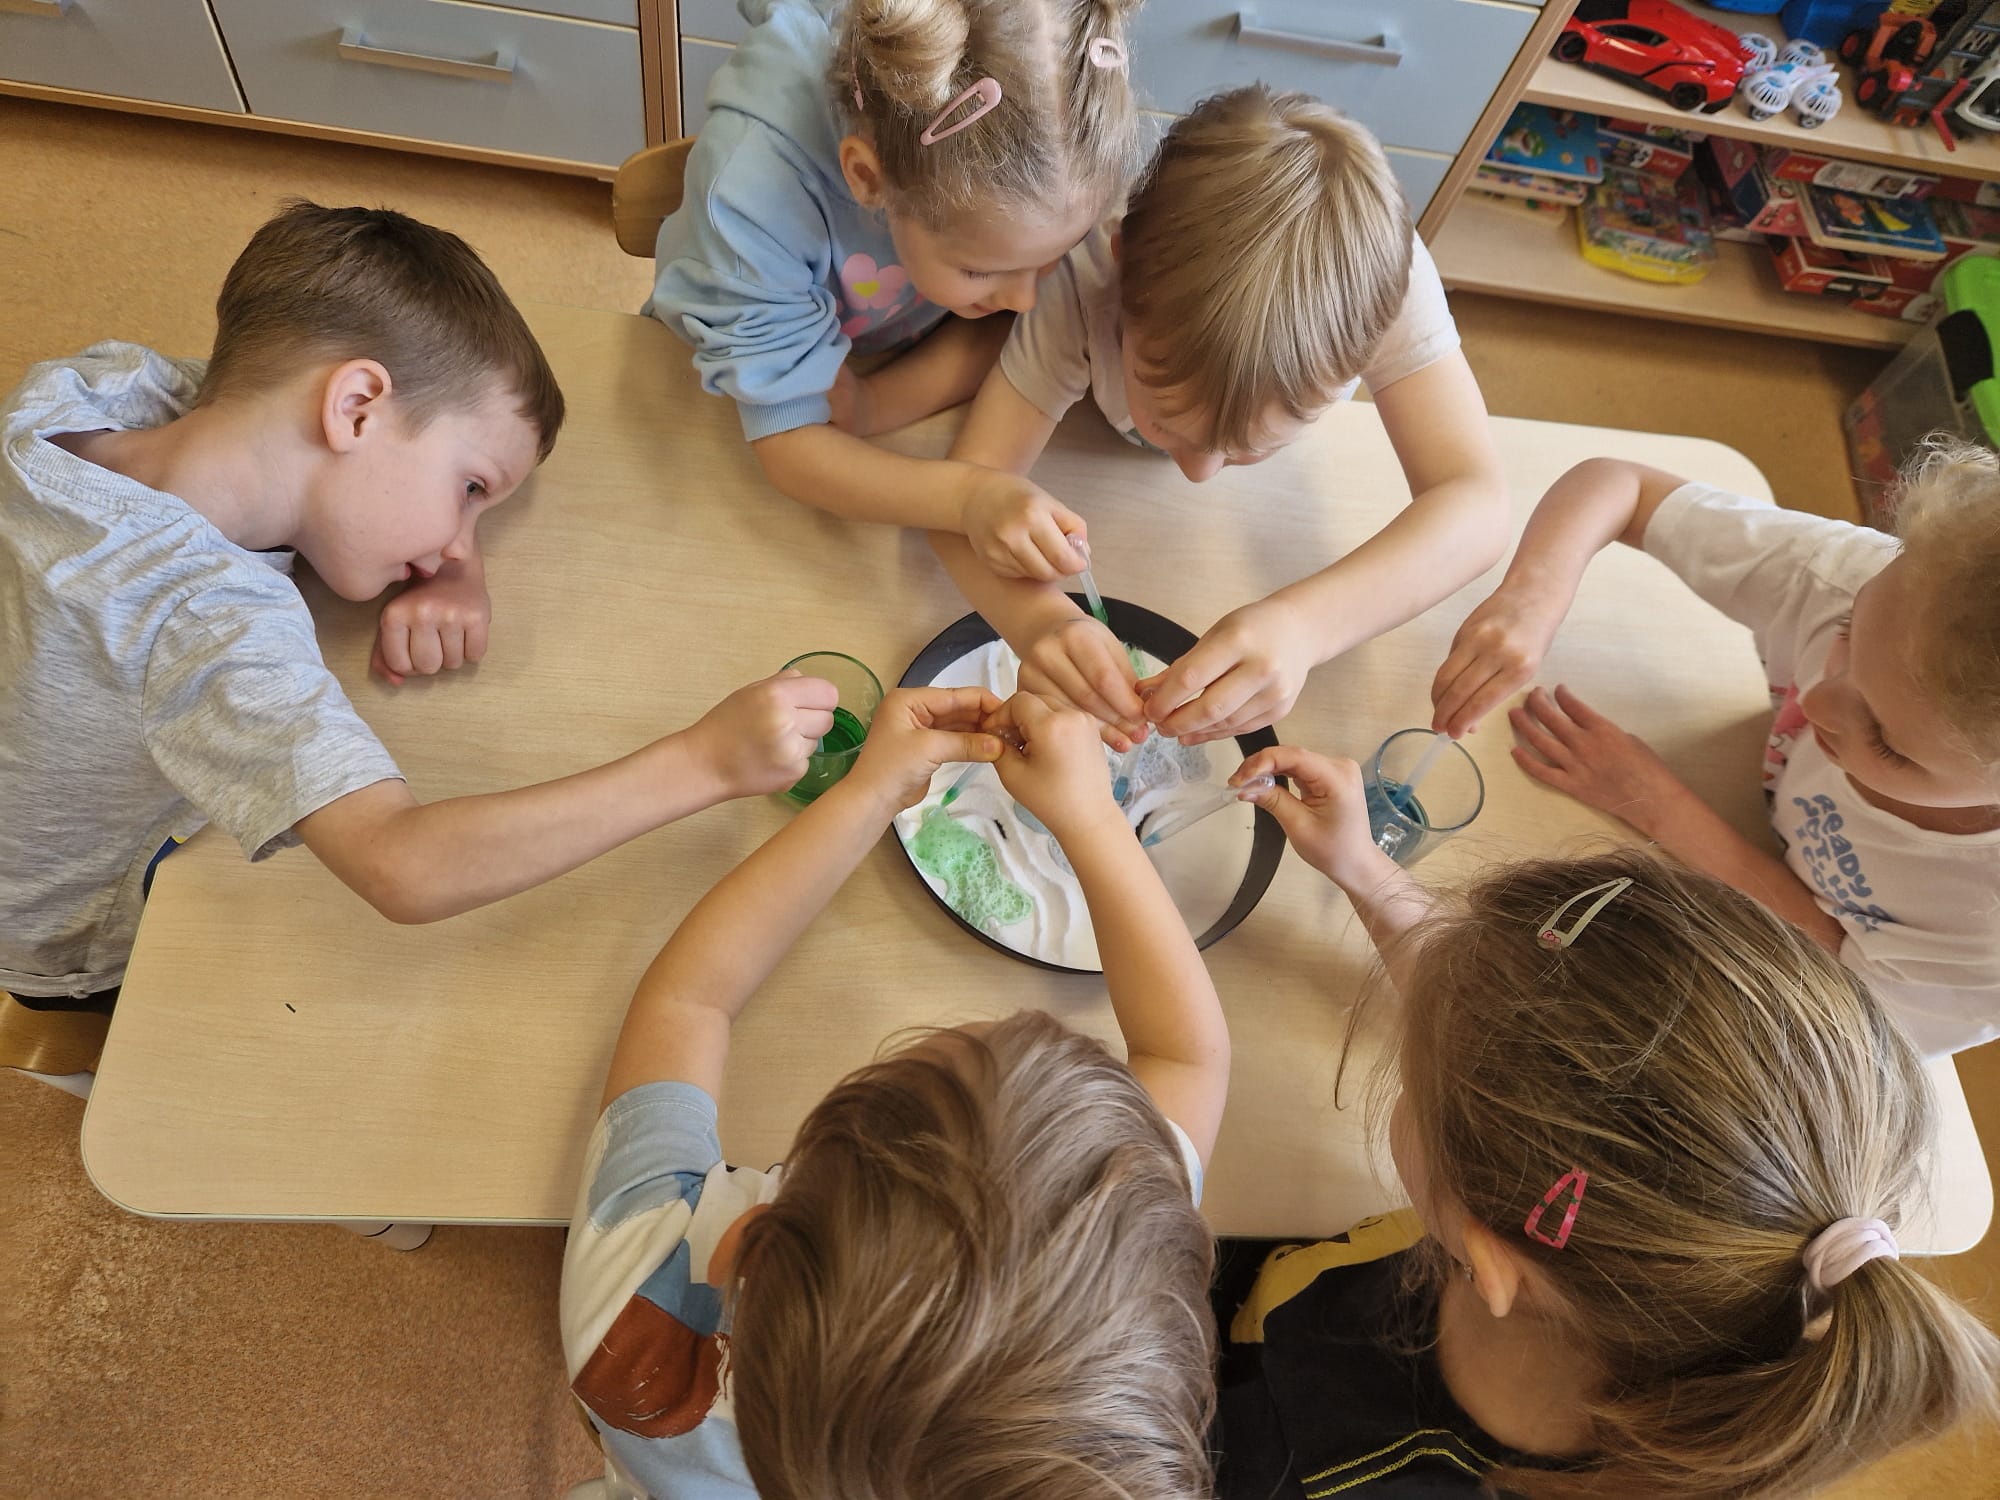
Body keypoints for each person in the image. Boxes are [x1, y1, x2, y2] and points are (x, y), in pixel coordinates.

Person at [0, 201, 832, 1064]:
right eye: (471, 490)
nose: (459, 542)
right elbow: (402, 866)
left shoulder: (93, 389)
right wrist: (706, 761)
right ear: (357, 405)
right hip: (66, 931)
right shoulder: (200, 622)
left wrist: (448, 554)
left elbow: (285, 442)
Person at [1211, 745, 2000, 1497]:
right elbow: (1513, 1045)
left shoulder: (1274, 1459)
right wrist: (1365, 869)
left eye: (1421, 1088)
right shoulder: (1643, 1273)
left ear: (1492, 1261)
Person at [559, 687, 1228, 1499]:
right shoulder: (1116, 1228)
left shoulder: (634, 1313)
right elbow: (1185, 1055)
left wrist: (869, 792)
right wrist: (1090, 816)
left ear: (744, 1242)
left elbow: (687, 1001)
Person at [930, 86, 1509, 751]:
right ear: (1120, 267)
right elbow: (958, 496)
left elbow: (1478, 504)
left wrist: (1306, 626)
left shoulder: (1385, 288)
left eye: (1246, 448)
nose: (1199, 474)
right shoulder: (1086, 275)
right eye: (1166, 422)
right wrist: (1038, 620)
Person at [1430, 446, 2000, 1055]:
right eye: (1847, 633)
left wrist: (1662, 807)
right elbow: (1623, 486)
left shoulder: (1985, 940)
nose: (1816, 702)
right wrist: (1533, 597)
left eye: (1886, 742)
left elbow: (1844, 995)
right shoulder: (1904, 592)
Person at [651, 0, 1141, 546]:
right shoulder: (749, 197)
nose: (1027, 299)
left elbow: (1008, 330)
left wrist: (875, 402)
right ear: (867, 178)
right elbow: (790, 442)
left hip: (882, 354)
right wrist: (967, 498)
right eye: (979, 270)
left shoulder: (1047, 176)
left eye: (1053, 256)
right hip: (713, 394)